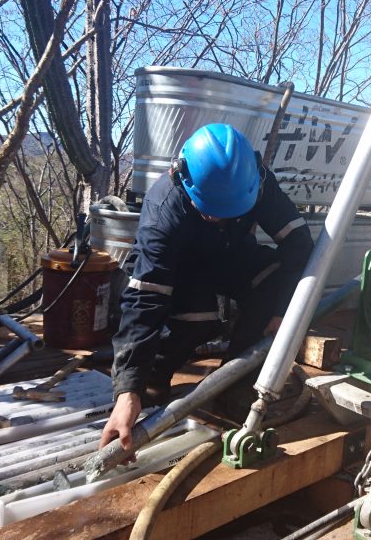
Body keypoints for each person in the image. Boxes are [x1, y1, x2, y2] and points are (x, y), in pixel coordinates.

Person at [100, 123, 313, 452]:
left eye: (230, 212)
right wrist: (128, 389)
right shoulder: (163, 211)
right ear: (185, 183)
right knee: (196, 322)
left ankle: (235, 383)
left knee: (274, 280)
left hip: (231, 257)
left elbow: (298, 245)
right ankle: (152, 385)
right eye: (211, 211)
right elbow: (145, 299)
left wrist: (283, 310)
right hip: (180, 271)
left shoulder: (256, 181)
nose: (219, 218)